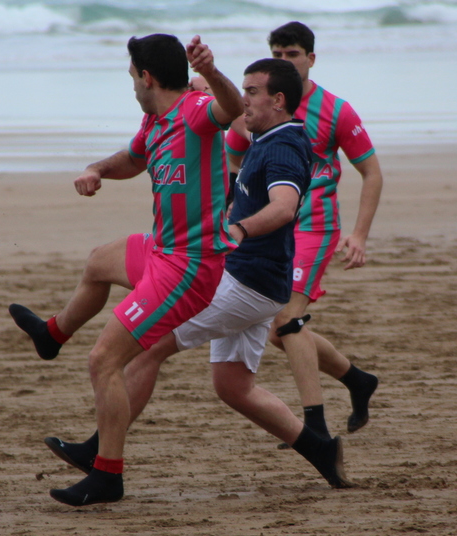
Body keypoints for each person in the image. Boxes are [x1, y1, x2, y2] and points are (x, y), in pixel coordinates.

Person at [44, 58, 351, 506]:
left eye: (252, 92)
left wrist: (240, 229)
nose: (244, 99)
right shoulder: (269, 136)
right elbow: (219, 116)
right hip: (261, 283)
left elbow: (285, 207)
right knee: (233, 387)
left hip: (245, 281)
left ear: (278, 100)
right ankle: (321, 450)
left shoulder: (283, 145)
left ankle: (100, 454)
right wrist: (201, 84)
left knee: (146, 346)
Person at [8, 34, 242, 505]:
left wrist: (211, 72)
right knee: (99, 262)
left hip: (191, 267)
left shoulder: (197, 111)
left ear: (147, 77)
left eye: (132, 75)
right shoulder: (154, 121)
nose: (131, 83)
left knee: (104, 360)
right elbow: (134, 159)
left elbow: (232, 109)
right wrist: (96, 169)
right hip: (162, 250)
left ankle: (107, 476)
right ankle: (52, 335)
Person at [225, 21, 381, 444]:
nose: (284, 61)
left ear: (311, 58)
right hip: (270, 231)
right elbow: (235, 165)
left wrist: (359, 235)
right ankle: (358, 380)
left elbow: (372, 172)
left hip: (314, 225)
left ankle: (315, 424)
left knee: (286, 320)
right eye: (277, 55)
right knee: (280, 331)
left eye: (292, 54)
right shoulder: (258, 110)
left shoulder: (336, 110)